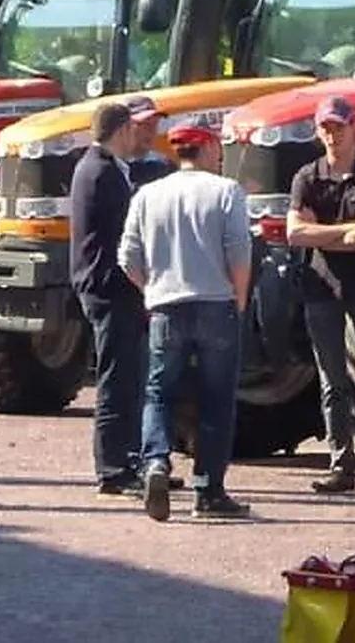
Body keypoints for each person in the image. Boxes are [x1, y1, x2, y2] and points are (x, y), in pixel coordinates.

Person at [121, 117, 254, 522]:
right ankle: (209, 490)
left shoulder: (148, 194)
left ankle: (156, 462)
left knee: (159, 392)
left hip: (165, 305)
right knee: (216, 399)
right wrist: (240, 298)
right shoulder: (227, 191)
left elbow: (128, 256)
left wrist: (151, 290)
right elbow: (239, 251)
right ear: (209, 147)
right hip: (216, 303)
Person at [286, 95, 355, 496]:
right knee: (332, 383)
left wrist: (327, 233)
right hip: (320, 288)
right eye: (325, 128)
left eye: (338, 127)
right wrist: (345, 233)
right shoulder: (306, 177)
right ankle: (342, 467)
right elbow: (295, 232)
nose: (332, 135)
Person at [68, 96, 160, 496]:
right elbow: (125, 234)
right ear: (122, 130)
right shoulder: (103, 172)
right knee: (116, 381)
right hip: (110, 289)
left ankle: (129, 458)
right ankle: (112, 467)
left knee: (127, 377)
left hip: (103, 286)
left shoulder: (97, 168)